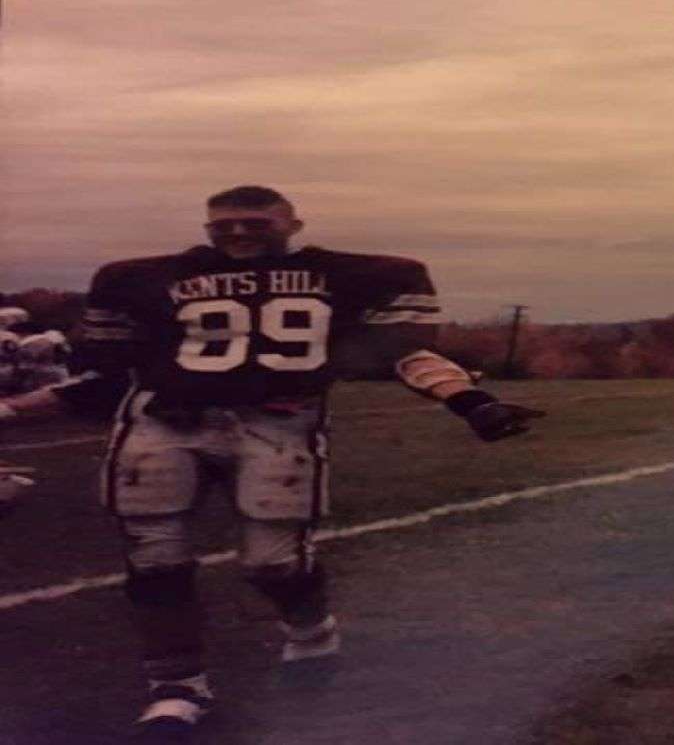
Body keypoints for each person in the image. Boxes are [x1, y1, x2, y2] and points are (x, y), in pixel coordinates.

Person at [0, 185, 545, 739]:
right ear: (208, 227)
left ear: (293, 225)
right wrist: (13, 409)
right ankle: (177, 688)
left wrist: (470, 401)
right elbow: (111, 374)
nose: (238, 232)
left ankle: (310, 630)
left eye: (255, 222)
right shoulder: (146, 280)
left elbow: (399, 351)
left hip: (277, 421)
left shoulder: (347, 276)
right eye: (225, 223)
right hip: (164, 422)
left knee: (273, 563)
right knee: (156, 561)